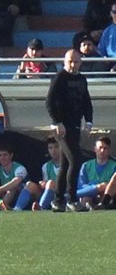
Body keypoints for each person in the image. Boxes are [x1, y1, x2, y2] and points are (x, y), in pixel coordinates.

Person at [46, 48, 93, 212]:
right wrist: (56, 122)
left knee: (66, 164)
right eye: (70, 61)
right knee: (75, 159)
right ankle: (72, 199)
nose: (73, 64)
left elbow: (86, 101)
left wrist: (89, 121)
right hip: (63, 128)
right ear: (65, 62)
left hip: (75, 125)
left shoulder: (81, 79)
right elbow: (49, 101)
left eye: (76, 61)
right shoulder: (59, 78)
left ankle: (58, 201)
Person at [76, 136, 116, 209]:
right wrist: (96, 187)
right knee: (86, 199)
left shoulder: (114, 166)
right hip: (89, 195)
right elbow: (81, 186)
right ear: (95, 149)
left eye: (105, 148)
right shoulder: (86, 165)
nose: (102, 150)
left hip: (106, 196)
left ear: (109, 150)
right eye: (100, 148)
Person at [34, 137, 62, 210]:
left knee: (50, 183)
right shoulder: (46, 166)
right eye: (50, 148)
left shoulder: (68, 164)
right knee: (29, 185)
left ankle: (41, 207)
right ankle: (17, 208)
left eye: (56, 147)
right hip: (51, 193)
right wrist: (43, 183)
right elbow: (46, 183)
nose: (53, 150)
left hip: (64, 193)